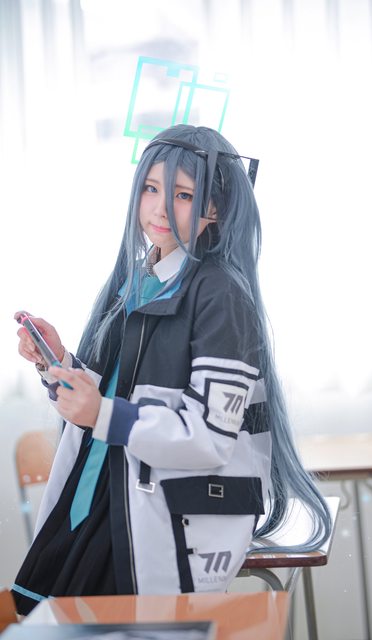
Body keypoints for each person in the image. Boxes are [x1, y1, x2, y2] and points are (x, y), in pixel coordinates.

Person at [12, 124, 331, 615]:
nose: (160, 208)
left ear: (215, 208)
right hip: (108, 496)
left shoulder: (221, 294)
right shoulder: (141, 279)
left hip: (164, 512)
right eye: (150, 188)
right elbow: (117, 395)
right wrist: (58, 364)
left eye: (182, 194)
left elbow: (208, 437)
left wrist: (101, 414)